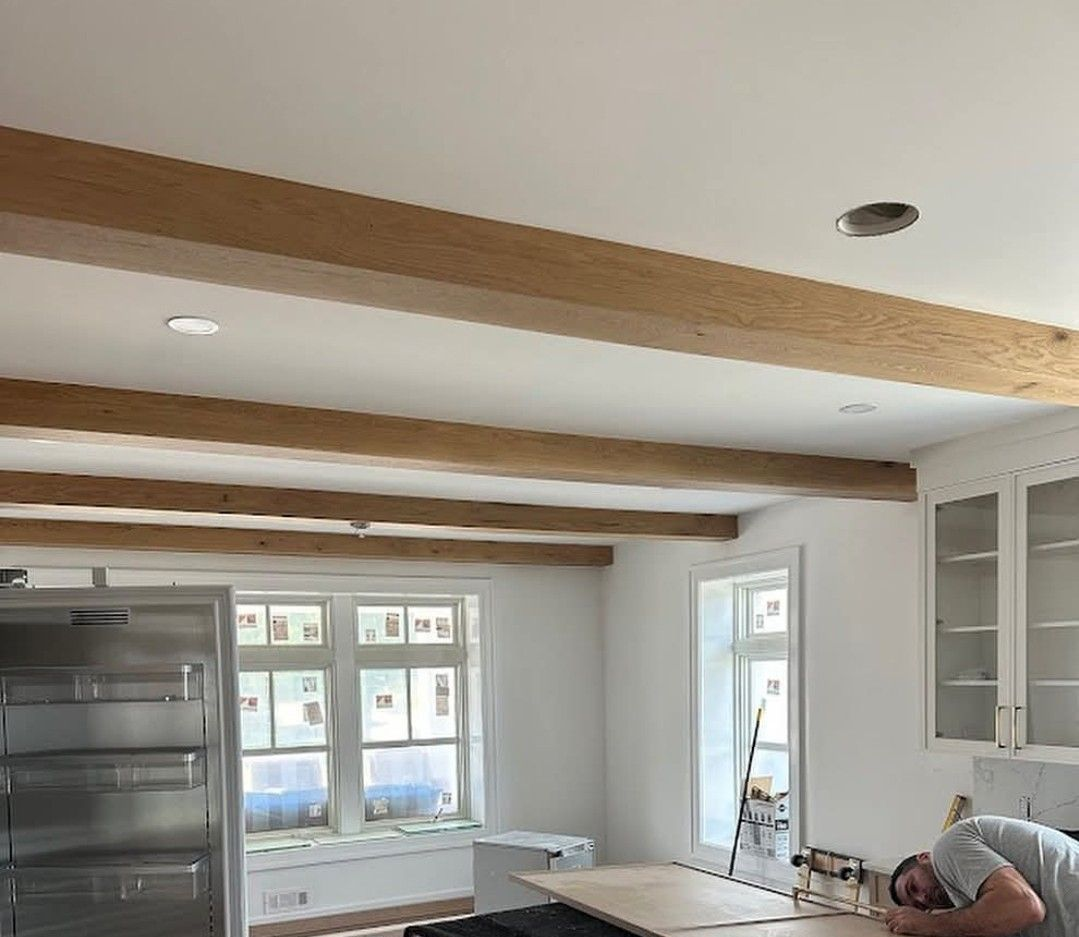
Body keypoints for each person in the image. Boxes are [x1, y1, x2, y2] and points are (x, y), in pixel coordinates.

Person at [885, 815, 1078, 936]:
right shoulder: (973, 901)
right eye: (922, 907)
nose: (923, 898)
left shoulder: (946, 847)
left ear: (924, 857)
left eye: (913, 887)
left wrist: (931, 924)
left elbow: (1025, 907)